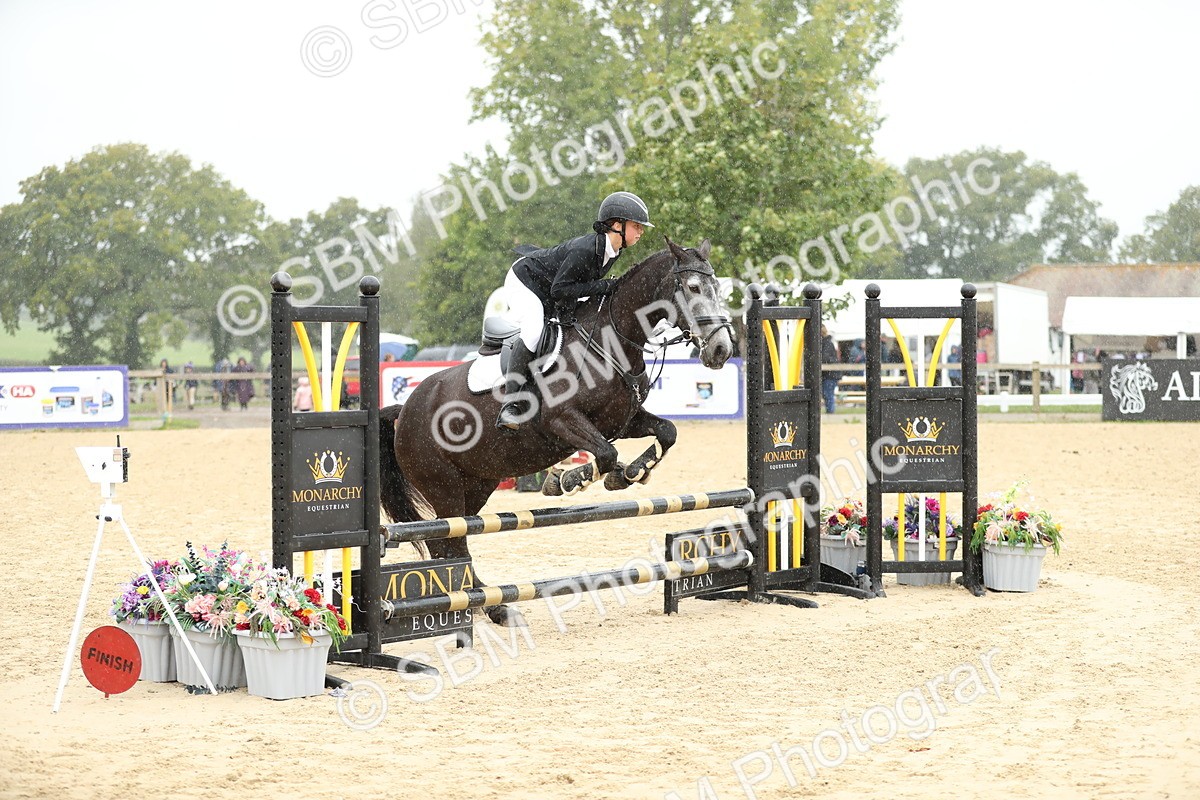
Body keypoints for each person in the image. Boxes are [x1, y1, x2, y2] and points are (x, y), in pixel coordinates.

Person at [495, 191, 654, 430]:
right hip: (525, 281)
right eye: (636, 226)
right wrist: (604, 286)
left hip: (549, 288)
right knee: (533, 331)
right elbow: (561, 289)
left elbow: (575, 285)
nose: (640, 231)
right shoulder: (586, 249)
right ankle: (510, 405)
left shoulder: (613, 250)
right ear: (615, 225)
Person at [820, 325, 840, 414]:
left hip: (829, 374)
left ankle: (830, 414)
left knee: (828, 395)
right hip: (830, 374)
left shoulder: (826, 344)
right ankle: (830, 413)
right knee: (827, 395)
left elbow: (825, 358)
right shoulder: (828, 343)